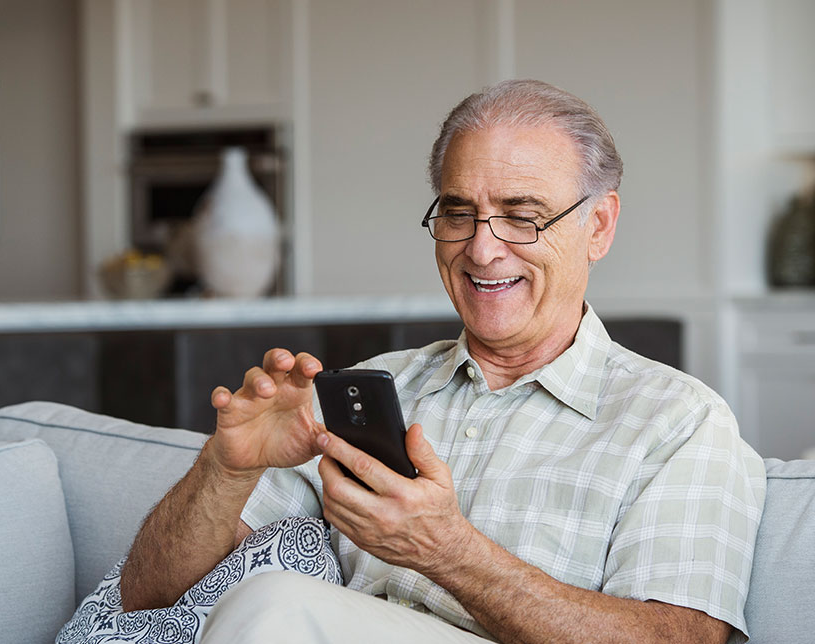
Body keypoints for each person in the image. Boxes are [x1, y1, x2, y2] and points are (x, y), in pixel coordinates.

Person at [113, 79, 766, 643]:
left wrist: (449, 552)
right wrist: (226, 469)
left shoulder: (679, 421)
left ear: (598, 226)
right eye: (458, 213)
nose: (481, 249)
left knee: (276, 603)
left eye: (521, 216)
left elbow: (680, 638)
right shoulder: (376, 389)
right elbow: (148, 597)